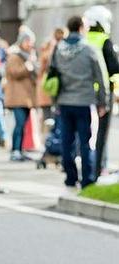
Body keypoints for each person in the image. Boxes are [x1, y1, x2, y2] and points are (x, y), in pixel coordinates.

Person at [54, 15, 107, 189]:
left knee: (66, 141)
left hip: (64, 101)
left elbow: (52, 76)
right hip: (85, 101)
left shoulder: (59, 48)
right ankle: (88, 179)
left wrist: (55, 100)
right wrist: (102, 101)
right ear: (81, 27)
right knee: (86, 142)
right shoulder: (90, 49)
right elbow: (101, 77)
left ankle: (70, 177)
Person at [84, 5, 119, 179]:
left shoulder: (84, 40)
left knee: (86, 135)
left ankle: (88, 169)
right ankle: (98, 170)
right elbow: (114, 68)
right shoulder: (104, 40)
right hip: (102, 95)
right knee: (101, 136)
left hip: (84, 94)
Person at [4, 28, 38, 161]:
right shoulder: (14, 56)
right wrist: (27, 67)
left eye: (31, 41)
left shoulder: (28, 56)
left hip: (26, 98)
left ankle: (20, 149)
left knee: (23, 125)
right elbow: (13, 72)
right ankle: (15, 150)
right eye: (28, 41)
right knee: (19, 124)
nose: (30, 44)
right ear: (22, 41)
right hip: (17, 97)